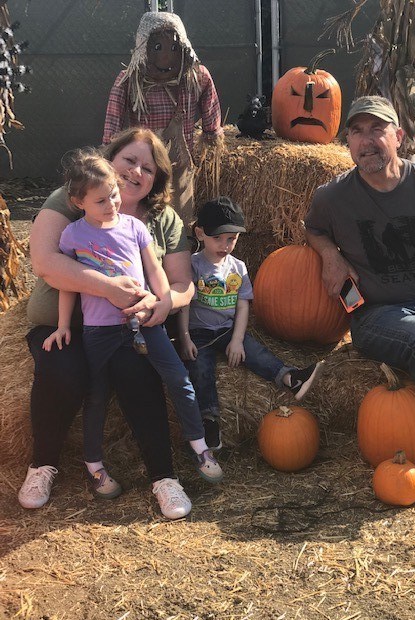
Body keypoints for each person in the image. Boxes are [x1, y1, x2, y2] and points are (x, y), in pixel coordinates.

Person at [18, 127, 199, 520]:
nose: (136, 172)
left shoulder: (161, 220)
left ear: (158, 178)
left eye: (148, 168)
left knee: (141, 375)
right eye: (129, 161)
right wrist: (107, 288)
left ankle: (164, 478)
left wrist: (163, 301)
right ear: (110, 160)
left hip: (127, 326)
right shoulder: (75, 201)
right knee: (64, 370)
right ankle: (42, 465)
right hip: (63, 323)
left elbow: (182, 284)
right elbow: (44, 262)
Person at [304, 95, 415, 490]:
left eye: (377, 130)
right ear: (346, 143)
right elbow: (312, 229)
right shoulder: (332, 197)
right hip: (376, 317)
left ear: (399, 137)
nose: (367, 141)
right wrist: (329, 253)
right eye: (357, 132)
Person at [41, 149, 223, 498]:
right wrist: (64, 325)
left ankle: (199, 446)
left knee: (178, 377)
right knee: (96, 395)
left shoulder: (135, 227)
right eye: (100, 200)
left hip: (144, 324)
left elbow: (155, 270)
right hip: (99, 330)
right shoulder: (73, 236)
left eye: (113, 194)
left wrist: (162, 302)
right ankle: (94, 466)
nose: (111, 203)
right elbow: (68, 284)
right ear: (79, 202)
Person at [178, 196, 323, 449]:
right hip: (198, 332)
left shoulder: (238, 267)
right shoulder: (192, 265)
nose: (225, 245)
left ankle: (290, 377)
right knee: (200, 370)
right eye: (218, 238)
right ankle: (209, 421)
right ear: (200, 233)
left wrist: (236, 340)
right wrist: (185, 337)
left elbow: (243, 304)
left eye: (231, 239)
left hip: (226, 330)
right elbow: (184, 303)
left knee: (255, 351)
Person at [103, 11, 223, 225]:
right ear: (144, 48)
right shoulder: (130, 80)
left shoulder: (196, 77)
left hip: (180, 163)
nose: (166, 57)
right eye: (157, 48)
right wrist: (109, 150)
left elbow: (210, 101)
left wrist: (211, 131)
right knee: (141, 214)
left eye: (174, 49)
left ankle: (179, 246)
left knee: (179, 219)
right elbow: (113, 117)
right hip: (142, 164)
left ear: (184, 49)